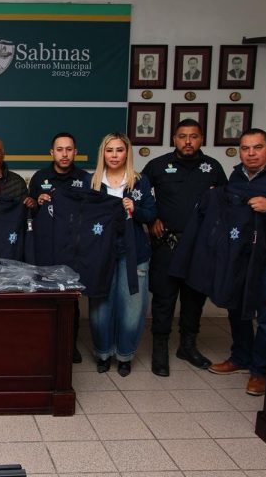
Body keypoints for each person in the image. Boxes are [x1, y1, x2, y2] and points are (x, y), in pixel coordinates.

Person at [209, 129, 266, 396]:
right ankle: (240, 357)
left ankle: (260, 371)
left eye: (257, 147)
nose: (251, 153)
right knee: (236, 308)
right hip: (239, 256)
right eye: (245, 148)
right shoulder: (236, 175)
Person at [142, 119, 228, 377]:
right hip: (168, 243)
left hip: (200, 247)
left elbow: (225, 204)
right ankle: (160, 350)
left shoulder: (213, 167)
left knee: (194, 299)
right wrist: (151, 219)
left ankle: (188, 347)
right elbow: (140, 196)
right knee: (164, 299)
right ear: (174, 139)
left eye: (193, 136)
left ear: (202, 139)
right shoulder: (157, 165)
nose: (188, 141)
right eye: (182, 136)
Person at [89, 133, 156, 377]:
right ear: (103, 154)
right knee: (101, 308)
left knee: (132, 308)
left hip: (134, 252)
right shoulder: (92, 181)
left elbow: (151, 214)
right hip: (101, 254)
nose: (114, 155)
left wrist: (135, 209)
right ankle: (103, 354)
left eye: (119, 150)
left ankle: (125, 355)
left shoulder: (140, 181)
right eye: (109, 150)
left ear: (127, 153)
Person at [28, 132, 91, 363]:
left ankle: (70, 345)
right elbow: (30, 210)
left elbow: (91, 212)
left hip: (74, 247)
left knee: (70, 298)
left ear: (75, 152)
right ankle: (45, 343)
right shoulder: (40, 177)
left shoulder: (85, 178)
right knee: (45, 296)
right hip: (46, 247)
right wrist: (38, 202)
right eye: (60, 149)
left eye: (69, 149)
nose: (64, 154)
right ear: (51, 152)